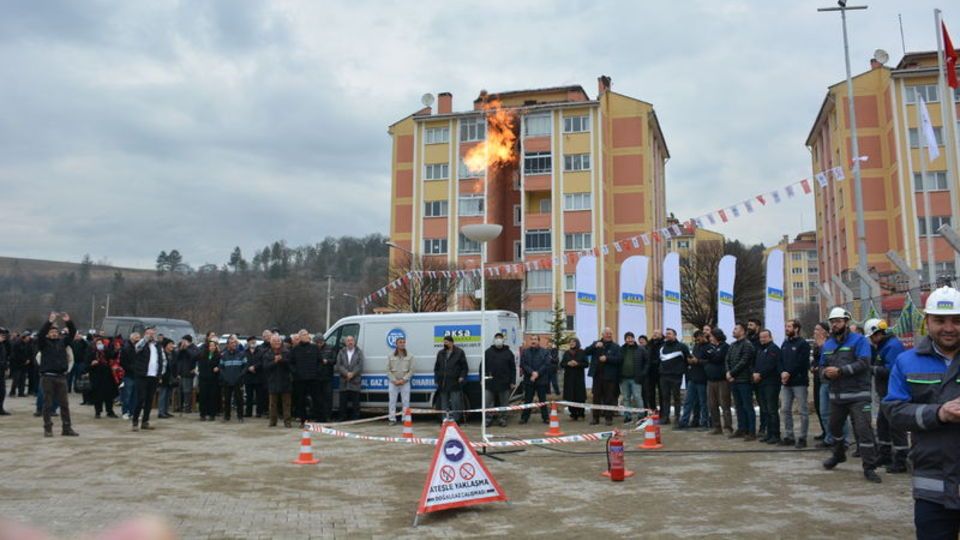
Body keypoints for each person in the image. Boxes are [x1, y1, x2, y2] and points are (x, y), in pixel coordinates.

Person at [882, 286, 960, 538]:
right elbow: (893, 411)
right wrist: (938, 414)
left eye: (957, 321)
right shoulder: (907, 362)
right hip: (932, 487)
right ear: (927, 321)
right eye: (940, 320)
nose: (949, 328)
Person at [820, 306, 881, 483]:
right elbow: (821, 366)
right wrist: (825, 373)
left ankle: (869, 467)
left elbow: (863, 363)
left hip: (858, 395)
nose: (835, 325)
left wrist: (840, 371)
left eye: (838, 321)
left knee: (864, 431)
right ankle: (839, 455)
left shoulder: (859, 341)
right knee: (835, 429)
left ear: (846, 322)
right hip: (837, 396)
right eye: (832, 322)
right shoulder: (828, 344)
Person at [864, 318, 908, 474]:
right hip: (886, 394)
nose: (871, 340)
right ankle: (885, 455)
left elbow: (892, 370)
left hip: (894, 394)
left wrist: (872, 369)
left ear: (877, 333)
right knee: (883, 425)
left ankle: (901, 460)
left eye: (871, 337)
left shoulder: (892, 346)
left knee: (896, 426)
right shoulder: (884, 346)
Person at [37, 312, 78, 437]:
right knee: (47, 404)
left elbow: (72, 333)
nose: (54, 333)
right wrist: (49, 321)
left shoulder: (63, 343)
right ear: (48, 334)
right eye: (51, 332)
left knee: (64, 404)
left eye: (56, 332)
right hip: (47, 377)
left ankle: (67, 428)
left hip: (61, 377)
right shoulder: (43, 343)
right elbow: (40, 334)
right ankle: (48, 428)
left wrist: (68, 321)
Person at [779, 319, 811, 448]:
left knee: (803, 411)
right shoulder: (785, 343)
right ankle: (789, 436)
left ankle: (802, 438)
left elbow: (801, 362)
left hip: (799, 382)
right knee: (785, 409)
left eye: (789, 326)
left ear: (796, 329)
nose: (786, 329)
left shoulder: (803, 344)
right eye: (786, 326)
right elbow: (780, 360)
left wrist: (789, 373)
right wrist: (782, 372)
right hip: (786, 383)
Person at [726, 323, 756, 441]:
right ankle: (741, 428)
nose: (733, 331)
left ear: (743, 331)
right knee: (738, 406)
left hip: (744, 380)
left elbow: (744, 361)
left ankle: (751, 431)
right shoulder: (732, 345)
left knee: (747, 406)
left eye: (736, 329)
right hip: (734, 380)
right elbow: (727, 359)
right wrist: (728, 372)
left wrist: (731, 373)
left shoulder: (747, 345)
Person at [585, 328, 622, 426]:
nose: (609, 335)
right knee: (596, 398)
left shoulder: (616, 346)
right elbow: (586, 352)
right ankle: (595, 418)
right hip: (597, 376)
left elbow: (619, 359)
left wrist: (607, 358)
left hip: (609, 377)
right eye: (607, 333)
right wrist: (594, 346)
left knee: (609, 398)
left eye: (610, 333)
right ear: (602, 334)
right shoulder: (596, 344)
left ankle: (608, 418)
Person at [131, 327, 165, 431]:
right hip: (142, 375)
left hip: (153, 376)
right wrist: (145, 339)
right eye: (149, 333)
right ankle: (135, 421)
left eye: (153, 334)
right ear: (145, 334)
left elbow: (163, 360)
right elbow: (137, 348)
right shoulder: (142, 343)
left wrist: (160, 374)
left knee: (150, 400)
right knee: (140, 399)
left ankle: (145, 421)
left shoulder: (158, 346)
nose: (151, 335)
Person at [754, 329, 783, 444]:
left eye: (765, 337)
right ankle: (769, 433)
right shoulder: (761, 350)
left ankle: (775, 434)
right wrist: (755, 373)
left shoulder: (774, 349)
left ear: (770, 337)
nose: (762, 339)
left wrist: (760, 374)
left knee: (772, 410)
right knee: (765, 410)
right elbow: (757, 364)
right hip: (761, 383)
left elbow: (770, 365)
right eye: (761, 337)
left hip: (771, 383)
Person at [658, 328, 690, 425]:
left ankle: (677, 417)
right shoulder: (662, 347)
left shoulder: (682, 346)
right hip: (664, 376)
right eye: (666, 334)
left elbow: (687, 359)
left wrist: (681, 370)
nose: (667, 335)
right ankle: (665, 417)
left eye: (670, 334)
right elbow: (660, 360)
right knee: (665, 397)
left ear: (675, 335)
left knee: (676, 397)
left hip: (676, 376)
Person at [518, 335, 552, 424]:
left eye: (535, 339)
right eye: (532, 339)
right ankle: (524, 418)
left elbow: (546, 364)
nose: (533, 341)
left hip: (541, 380)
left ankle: (546, 418)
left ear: (538, 341)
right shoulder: (525, 352)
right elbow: (523, 364)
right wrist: (532, 372)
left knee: (542, 400)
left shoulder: (545, 352)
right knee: (527, 400)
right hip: (529, 380)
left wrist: (537, 373)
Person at [483, 332, 515, 427]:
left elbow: (513, 368)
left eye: (500, 338)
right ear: (494, 340)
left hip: (504, 383)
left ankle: (502, 419)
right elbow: (482, 366)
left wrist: (512, 381)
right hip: (490, 382)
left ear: (503, 340)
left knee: (504, 403)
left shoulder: (508, 353)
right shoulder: (488, 352)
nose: (498, 340)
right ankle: (488, 419)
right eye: (496, 338)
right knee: (488, 403)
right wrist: (482, 378)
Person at [290, 330, 322, 425]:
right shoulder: (295, 349)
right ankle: (303, 420)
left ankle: (320, 418)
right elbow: (291, 364)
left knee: (317, 399)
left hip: (313, 378)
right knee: (301, 401)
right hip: (300, 380)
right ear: (299, 337)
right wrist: (296, 373)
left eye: (307, 334)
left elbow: (320, 362)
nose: (306, 336)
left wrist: (317, 372)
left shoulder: (314, 348)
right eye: (304, 335)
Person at [679, 330, 709, 429]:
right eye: (695, 339)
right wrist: (690, 360)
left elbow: (710, 362)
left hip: (703, 379)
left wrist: (698, 361)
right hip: (693, 378)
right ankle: (684, 422)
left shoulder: (709, 347)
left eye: (698, 339)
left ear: (703, 336)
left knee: (703, 403)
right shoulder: (696, 346)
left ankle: (704, 423)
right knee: (688, 402)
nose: (697, 341)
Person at [433, 335, 467, 423]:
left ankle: (456, 420)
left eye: (446, 342)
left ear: (452, 343)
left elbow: (464, 367)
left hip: (454, 382)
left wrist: (462, 376)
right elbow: (437, 367)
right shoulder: (440, 353)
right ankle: (444, 420)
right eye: (444, 342)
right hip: (443, 383)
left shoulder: (459, 352)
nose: (445, 344)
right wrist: (436, 379)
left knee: (456, 402)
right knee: (444, 403)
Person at [705, 328, 733, 435]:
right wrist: (710, 356)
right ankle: (717, 427)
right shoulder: (710, 347)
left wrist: (710, 356)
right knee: (712, 405)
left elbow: (718, 358)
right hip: (710, 380)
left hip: (722, 380)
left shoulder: (725, 347)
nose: (710, 338)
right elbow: (704, 356)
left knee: (724, 404)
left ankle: (728, 427)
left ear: (717, 336)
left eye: (711, 336)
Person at [263, 334, 293, 427]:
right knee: (272, 404)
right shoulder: (267, 353)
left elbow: (291, 366)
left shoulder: (287, 352)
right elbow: (265, 367)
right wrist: (274, 362)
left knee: (287, 404)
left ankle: (287, 422)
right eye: (275, 341)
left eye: (279, 341)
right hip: (273, 381)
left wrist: (282, 360)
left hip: (285, 381)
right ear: (271, 343)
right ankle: (272, 421)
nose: (277, 343)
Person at [619, 332, 648, 423]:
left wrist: (643, 373)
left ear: (634, 338)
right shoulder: (621, 349)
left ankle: (641, 416)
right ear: (625, 340)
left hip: (636, 378)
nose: (630, 339)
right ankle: (628, 416)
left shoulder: (640, 349)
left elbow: (647, 362)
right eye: (628, 338)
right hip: (623, 378)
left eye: (631, 337)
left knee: (637, 397)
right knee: (626, 398)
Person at [218, 335, 248, 423]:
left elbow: (245, 367)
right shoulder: (224, 355)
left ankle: (240, 416)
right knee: (227, 400)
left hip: (238, 381)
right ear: (228, 345)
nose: (234, 345)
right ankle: (227, 416)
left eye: (235, 343)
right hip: (227, 382)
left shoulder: (241, 354)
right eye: (231, 343)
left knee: (239, 400)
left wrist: (240, 376)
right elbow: (221, 367)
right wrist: (225, 377)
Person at [87, 337, 117, 418]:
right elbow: (86, 364)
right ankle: (98, 412)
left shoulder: (106, 351)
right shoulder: (91, 352)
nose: (100, 345)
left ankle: (109, 411)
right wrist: (92, 364)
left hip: (107, 375)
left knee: (109, 395)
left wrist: (116, 350)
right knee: (97, 395)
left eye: (101, 343)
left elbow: (112, 356)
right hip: (96, 375)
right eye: (98, 343)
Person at [336, 335, 364, 421]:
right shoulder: (341, 352)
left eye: (351, 340)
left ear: (354, 342)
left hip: (355, 380)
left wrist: (352, 374)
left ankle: (355, 418)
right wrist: (346, 373)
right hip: (344, 380)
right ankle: (342, 417)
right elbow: (339, 365)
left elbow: (360, 365)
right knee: (343, 401)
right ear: (345, 343)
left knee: (355, 401)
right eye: (348, 341)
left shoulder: (359, 352)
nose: (350, 342)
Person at [386, 337, 414, 425]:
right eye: (400, 342)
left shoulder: (410, 356)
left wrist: (404, 380)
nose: (402, 344)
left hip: (405, 382)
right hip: (393, 382)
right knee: (392, 401)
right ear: (396, 344)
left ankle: (405, 419)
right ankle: (392, 419)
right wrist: (394, 380)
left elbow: (412, 370)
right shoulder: (390, 356)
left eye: (403, 342)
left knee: (405, 401)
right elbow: (387, 370)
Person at [560, 337, 587, 420]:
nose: (571, 343)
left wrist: (577, 364)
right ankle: (573, 414)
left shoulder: (582, 352)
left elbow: (586, 364)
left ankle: (581, 413)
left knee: (579, 396)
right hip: (569, 378)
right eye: (570, 342)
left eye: (573, 342)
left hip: (579, 378)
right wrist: (568, 363)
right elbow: (562, 364)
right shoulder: (567, 353)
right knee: (570, 396)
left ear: (577, 343)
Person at [244, 333, 268, 418]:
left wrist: (255, 367)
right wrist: (248, 368)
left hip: (258, 376)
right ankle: (248, 412)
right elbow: (243, 363)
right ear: (248, 342)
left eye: (254, 340)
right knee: (249, 396)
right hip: (248, 377)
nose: (252, 342)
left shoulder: (261, 351)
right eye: (251, 341)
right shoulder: (245, 352)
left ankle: (259, 412)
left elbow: (262, 362)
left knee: (259, 396)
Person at [197, 339, 221, 421]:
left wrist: (218, 368)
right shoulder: (202, 354)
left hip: (213, 379)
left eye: (213, 346)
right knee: (203, 396)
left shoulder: (218, 355)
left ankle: (212, 414)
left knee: (212, 397)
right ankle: (202, 414)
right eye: (210, 346)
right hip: (203, 378)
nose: (212, 347)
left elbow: (221, 365)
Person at [315, 334, 336, 422]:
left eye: (320, 342)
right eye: (317, 342)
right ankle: (319, 416)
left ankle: (327, 416)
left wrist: (327, 361)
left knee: (328, 397)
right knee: (318, 398)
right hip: (317, 377)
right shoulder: (314, 348)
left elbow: (334, 360)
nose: (319, 344)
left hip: (327, 377)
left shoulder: (330, 348)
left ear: (323, 341)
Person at [119, 332, 139, 420]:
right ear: (132, 338)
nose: (138, 339)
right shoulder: (126, 348)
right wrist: (131, 368)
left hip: (137, 374)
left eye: (139, 337)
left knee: (135, 396)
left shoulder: (138, 348)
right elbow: (122, 362)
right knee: (127, 395)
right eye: (136, 337)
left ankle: (133, 412)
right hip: (129, 375)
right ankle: (125, 412)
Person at [176, 335, 198, 414]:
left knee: (187, 391)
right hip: (180, 373)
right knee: (180, 391)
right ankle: (180, 406)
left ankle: (187, 407)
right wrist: (181, 349)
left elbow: (194, 356)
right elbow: (176, 357)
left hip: (188, 372)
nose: (182, 342)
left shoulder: (193, 347)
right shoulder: (181, 347)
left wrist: (186, 349)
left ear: (187, 341)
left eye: (183, 341)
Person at [157, 339, 178, 419]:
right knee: (163, 394)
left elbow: (175, 365)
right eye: (170, 344)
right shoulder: (162, 354)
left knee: (168, 395)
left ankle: (165, 411)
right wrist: (159, 377)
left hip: (171, 377)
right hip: (164, 376)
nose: (172, 346)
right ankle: (161, 412)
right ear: (165, 346)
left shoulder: (173, 354)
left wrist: (176, 375)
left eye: (172, 344)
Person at [644, 330, 663, 415]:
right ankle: (653, 410)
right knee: (650, 393)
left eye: (657, 333)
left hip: (660, 371)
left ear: (661, 335)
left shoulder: (664, 344)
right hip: (650, 372)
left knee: (662, 393)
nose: (654, 334)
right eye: (654, 333)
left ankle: (663, 412)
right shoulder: (649, 344)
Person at [0, 328, 9, 415]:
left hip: (1, 371)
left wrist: (5, 367)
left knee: (2, 392)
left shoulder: (3, 345)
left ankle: (1, 408)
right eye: (2, 335)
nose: (4, 337)